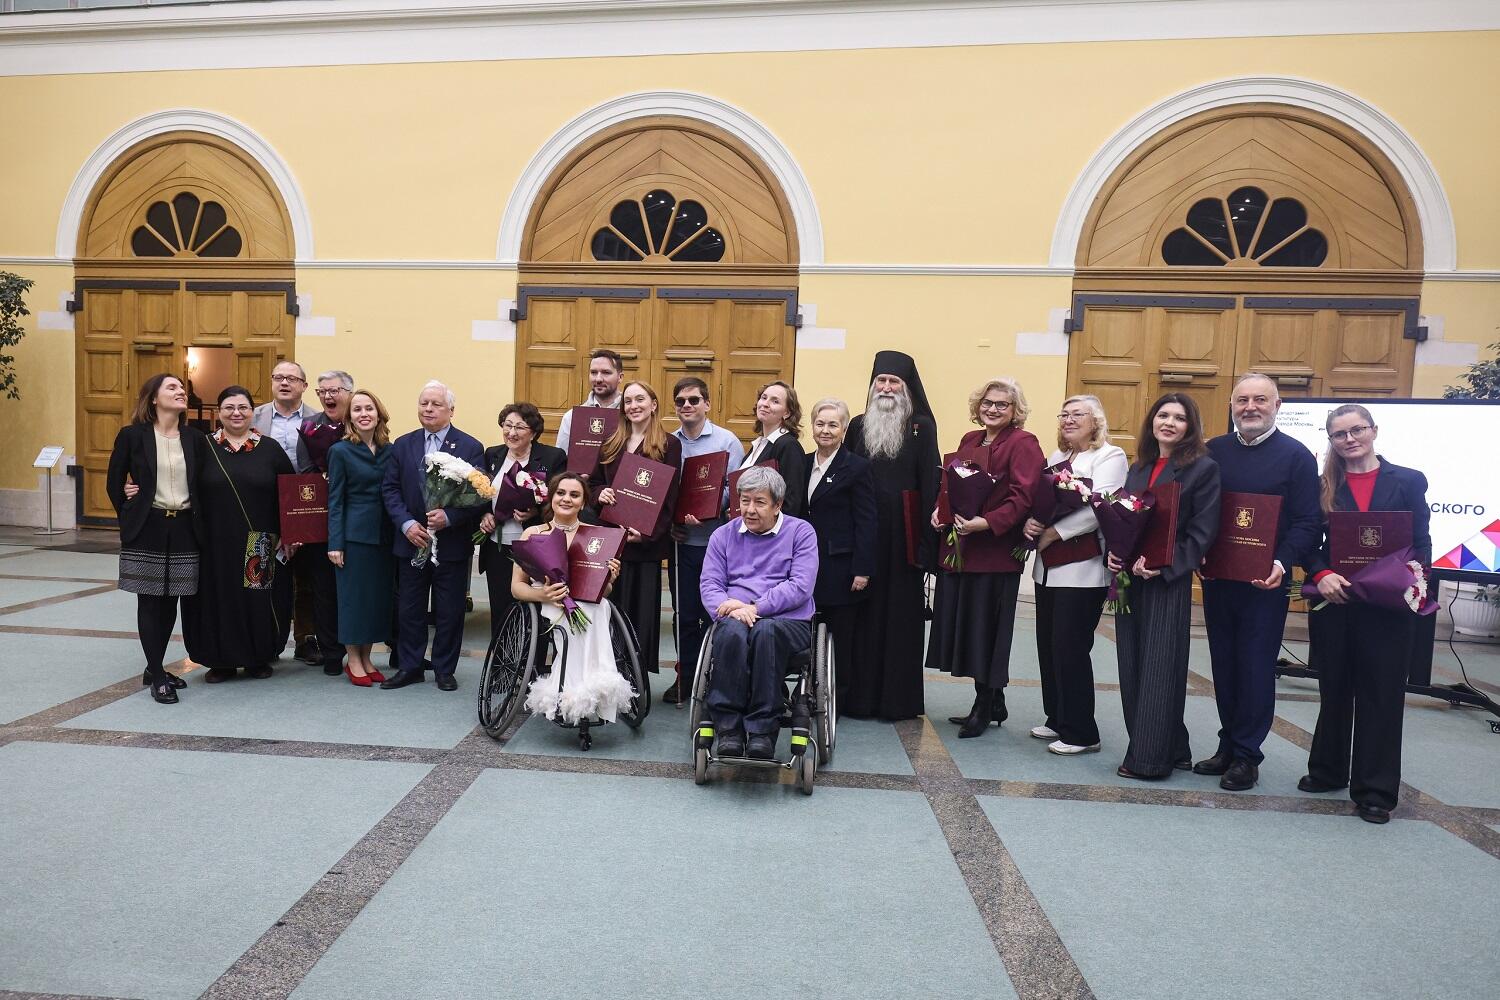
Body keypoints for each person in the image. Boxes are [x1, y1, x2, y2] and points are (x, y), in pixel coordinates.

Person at [1300, 405, 1430, 825]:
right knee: (1334, 687)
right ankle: (1327, 770)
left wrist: (1405, 579)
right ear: (1331, 440)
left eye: (1357, 430)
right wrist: (1321, 572)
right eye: (1340, 434)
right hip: (1335, 602)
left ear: (1374, 431)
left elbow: (1421, 543)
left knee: (1381, 695)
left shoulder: (1407, 481)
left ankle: (1375, 791)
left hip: (1387, 609)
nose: (1350, 438)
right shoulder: (1321, 486)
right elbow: (1307, 542)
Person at [1198, 373, 1322, 791]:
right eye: (1242, 400)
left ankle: (1248, 756)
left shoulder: (1297, 456)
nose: (1250, 407)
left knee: (1254, 666)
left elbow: (1309, 522)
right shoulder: (1214, 451)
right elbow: (1200, 509)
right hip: (1219, 578)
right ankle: (1228, 744)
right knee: (1224, 664)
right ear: (1232, 406)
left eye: (1259, 400)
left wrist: (1284, 562)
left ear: (1277, 405)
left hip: (1265, 583)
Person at [926, 378, 1045, 737]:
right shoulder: (970, 440)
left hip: (994, 551)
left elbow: (1025, 496)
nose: (993, 409)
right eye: (988, 403)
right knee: (969, 628)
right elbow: (953, 483)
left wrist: (986, 523)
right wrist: (939, 510)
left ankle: (985, 701)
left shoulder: (1023, 443)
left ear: (1015, 411)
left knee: (988, 629)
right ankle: (994, 700)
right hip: (962, 548)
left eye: (1002, 405)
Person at [1111, 393, 1220, 780]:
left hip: (1165, 581)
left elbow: (1202, 533)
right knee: (1132, 664)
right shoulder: (1138, 468)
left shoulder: (1202, 469)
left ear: (1191, 427)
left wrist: (1165, 565)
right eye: (1163, 415)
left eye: (1179, 418)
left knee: (1158, 667)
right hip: (1131, 580)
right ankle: (1175, 748)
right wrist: (1116, 553)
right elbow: (1124, 520)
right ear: (1152, 422)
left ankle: (1148, 760)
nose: (1169, 423)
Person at [1022, 394, 1127, 755]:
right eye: (1064, 414)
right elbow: (1045, 500)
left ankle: (1083, 731)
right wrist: (1035, 521)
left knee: (1071, 647)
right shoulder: (1056, 458)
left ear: (1096, 421)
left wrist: (1054, 533)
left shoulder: (1110, 456)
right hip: (1048, 568)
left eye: (1077, 414)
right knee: (1049, 646)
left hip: (1082, 569)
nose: (1068, 420)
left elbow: (1103, 507)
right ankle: (1058, 718)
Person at [842, 351, 941, 721]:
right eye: (880, 381)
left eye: (893, 382)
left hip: (904, 536)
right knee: (862, 615)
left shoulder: (921, 426)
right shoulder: (856, 424)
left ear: (906, 388)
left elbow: (930, 482)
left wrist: (928, 543)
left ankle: (897, 701)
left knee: (900, 617)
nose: (886, 388)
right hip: (863, 534)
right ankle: (858, 698)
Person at [699, 466, 819, 759]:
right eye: (744, 501)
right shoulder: (722, 536)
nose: (749, 510)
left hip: (787, 620)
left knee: (766, 631)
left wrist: (755, 607)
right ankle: (729, 728)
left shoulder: (801, 532)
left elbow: (801, 586)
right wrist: (734, 610)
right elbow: (711, 583)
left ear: (778, 505)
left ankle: (762, 731)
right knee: (729, 633)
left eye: (760, 502)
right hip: (734, 616)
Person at [107, 374, 208, 705]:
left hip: (184, 528)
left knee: (172, 600)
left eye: (182, 389)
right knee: (150, 600)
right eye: (172, 388)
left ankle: (154, 668)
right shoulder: (132, 436)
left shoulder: (196, 439)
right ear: (153, 398)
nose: (181, 392)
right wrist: (129, 510)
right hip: (147, 527)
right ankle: (156, 673)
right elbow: (114, 482)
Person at [380, 380, 486, 692]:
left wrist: (450, 517)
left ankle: (444, 669)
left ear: (451, 410)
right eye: (424, 403)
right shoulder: (403, 444)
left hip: (451, 545)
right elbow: (390, 489)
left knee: (449, 610)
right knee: (410, 609)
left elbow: (480, 495)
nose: (428, 409)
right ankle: (410, 666)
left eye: (436, 404)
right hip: (411, 541)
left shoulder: (470, 446)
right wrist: (405, 524)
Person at [186, 386, 297, 683]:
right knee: (216, 600)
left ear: (252, 412)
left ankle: (257, 657)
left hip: (259, 542)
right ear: (218, 412)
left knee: (257, 601)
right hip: (213, 543)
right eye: (229, 408)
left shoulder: (270, 449)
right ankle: (219, 661)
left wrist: (290, 534)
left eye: (243, 408)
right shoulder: (203, 447)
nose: (236, 413)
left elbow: (290, 495)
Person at [511, 472, 629, 723]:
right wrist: (542, 594)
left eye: (574, 495)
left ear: (583, 502)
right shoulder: (533, 532)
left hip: (589, 604)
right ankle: (570, 692)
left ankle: (595, 688)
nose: (567, 499)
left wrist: (609, 578)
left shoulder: (596, 535)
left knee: (600, 606)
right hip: (549, 603)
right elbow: (516, 588)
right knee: (581, 614)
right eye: (561, 493)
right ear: (551, 498)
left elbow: (603, 592)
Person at [592, 380, 681, 683]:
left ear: (653, 404)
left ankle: (635, 680)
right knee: (611, 608)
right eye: (628, 401)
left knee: (640, 614)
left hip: (644, 545)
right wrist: (599, 493)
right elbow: (591, 483)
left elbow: (670, 496)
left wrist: (648, 533)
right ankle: (609, 674)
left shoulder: (669, 444)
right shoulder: (610, 442)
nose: (633, 406)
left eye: (640, 399)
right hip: (612, 541)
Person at [665, 376, 745, 705]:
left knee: (714, 613)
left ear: (707, 404)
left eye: (694, 400)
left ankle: (715, 676)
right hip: (682, 542)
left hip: (719, 546)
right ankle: (685, 677)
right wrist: (672, 518)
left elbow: (735, 489)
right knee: (684, 614)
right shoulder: (669, 443)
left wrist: (712, 509)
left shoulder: (728, 441)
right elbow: (663, 491)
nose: (687, 406)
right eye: (681, 401)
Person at [804, 398, 877, 707]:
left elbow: (867, 520)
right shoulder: (804, 462)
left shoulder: (857, 467)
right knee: (806, 634)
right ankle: (807, 693)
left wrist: (863, 568)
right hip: (806, 566)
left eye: (833, 424)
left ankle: (838, 699)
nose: (826, 430)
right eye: (820, 423)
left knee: (841, 638)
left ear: (845, 429)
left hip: (841, 567)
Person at [478, 402, 567, 642]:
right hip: (498, 545)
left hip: (535, 548)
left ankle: (533, 666)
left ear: (534, 432)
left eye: (519, 427)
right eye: (507, 426)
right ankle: (503, 666)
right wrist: (485, 515)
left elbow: (561, 498)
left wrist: (535, 513)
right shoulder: (492, 454)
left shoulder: (552, 457)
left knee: (536, 610)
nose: (512, 432)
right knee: (501, 606)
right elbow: (481, 493)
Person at [327, 389, 396, 687]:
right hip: (353, 536)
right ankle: (353, 659)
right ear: (349, 417)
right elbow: (335, 500)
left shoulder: (389, 449)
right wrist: (335, 543)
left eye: (369, 408)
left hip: (385, 535)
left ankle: (367, 657)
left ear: (378, 413)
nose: (364, 413)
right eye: (357, 409)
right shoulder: (340, 451)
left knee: (375, 600)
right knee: (354, 601)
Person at [296, 369, 354, 676]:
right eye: (323, 392)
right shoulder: (308, 427)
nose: (328, 397)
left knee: (354, 588)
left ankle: (356, 650)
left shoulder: (363, 421)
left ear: (349, 393)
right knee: (323, 589)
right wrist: (324, 482)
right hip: (320, 518)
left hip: (356, 517)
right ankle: (331, 652)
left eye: (335, 391)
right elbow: (304, 470)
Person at [737, 380, 807, 517]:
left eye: (775, 401)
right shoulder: (760, 444)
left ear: (786, 413)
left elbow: (791, 502)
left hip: (769, 534)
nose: (765, 404)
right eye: (764, 398)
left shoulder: (789, 446)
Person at [554, 348, 624, 453]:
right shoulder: (572, 417)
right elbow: (561, 458)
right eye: (594, 372)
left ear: (620, 377)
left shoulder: (632, 415)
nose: (598, 379)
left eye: (606, 372)